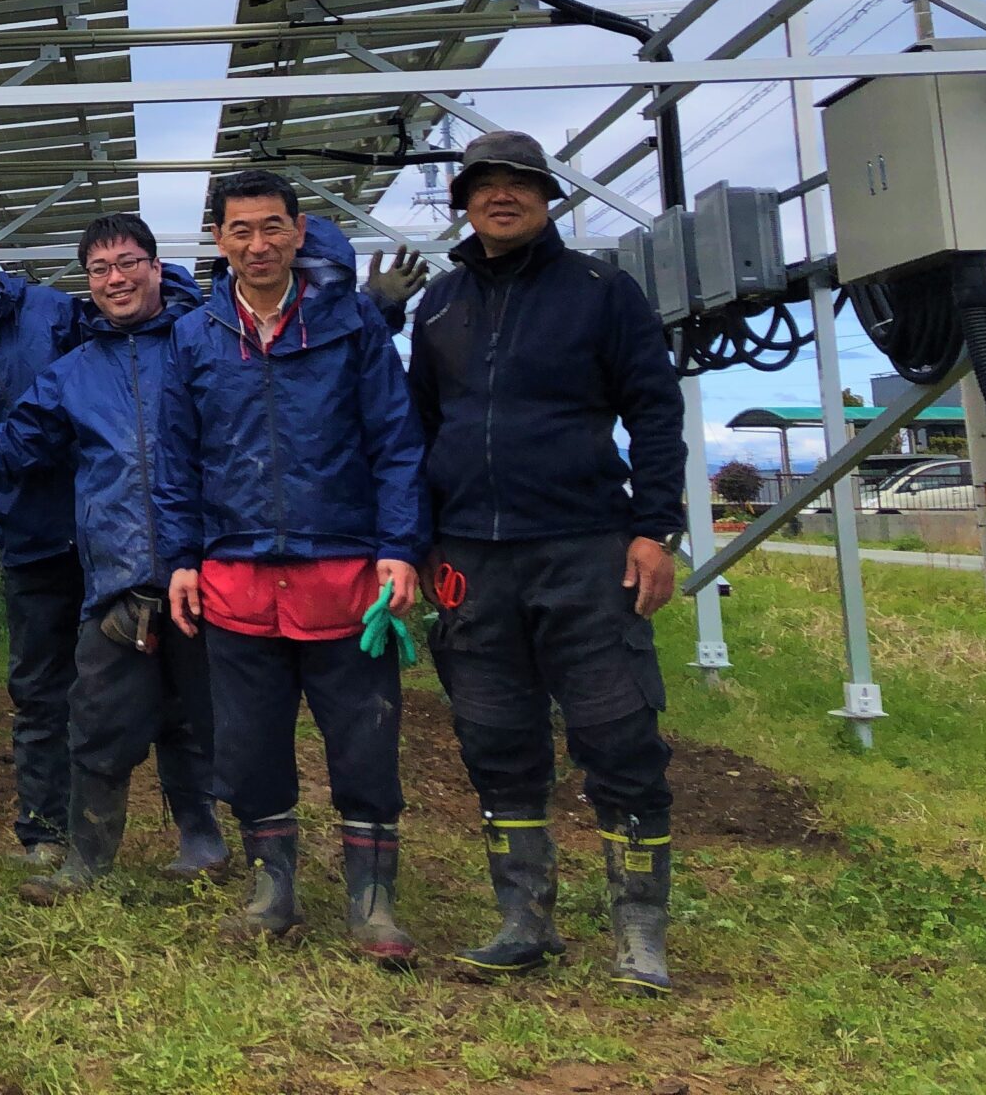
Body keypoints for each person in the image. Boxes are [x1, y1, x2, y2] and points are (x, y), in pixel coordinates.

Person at [408, 129, 686, 994]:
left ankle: (640, 927)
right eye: (484, 185)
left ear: (547, 198)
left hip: (584, 547)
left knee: (618, 731)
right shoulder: (441, 304)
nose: (502, 196)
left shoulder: (602, 291)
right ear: (462, 202)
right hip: (471, 560)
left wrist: (655, 528)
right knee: (495, 736)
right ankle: (525, 916)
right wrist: (419, 542)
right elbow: (418, 430)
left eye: (520, 184)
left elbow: (655, 409)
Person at [0, 204, 226, 878]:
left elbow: (153, 338)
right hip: (38, 538)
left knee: (181, 694)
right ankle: (53, 834)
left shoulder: (58, 316)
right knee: (55, 695)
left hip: (133, 541)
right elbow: (1, 436)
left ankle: (201, 831)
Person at [159, 168, 428, 963]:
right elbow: (177, 461)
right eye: (240, 230)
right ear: (218, 241)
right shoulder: (196, 335)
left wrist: (399, 548)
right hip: (237, 579)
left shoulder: (351, 326)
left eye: (272, 227)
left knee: (364, 742)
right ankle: (272, 890)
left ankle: (371, 902)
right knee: (248, 745)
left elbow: (396, 443)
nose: (258, 244)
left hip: (342, 578)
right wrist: (180, 559)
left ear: (299, 231)